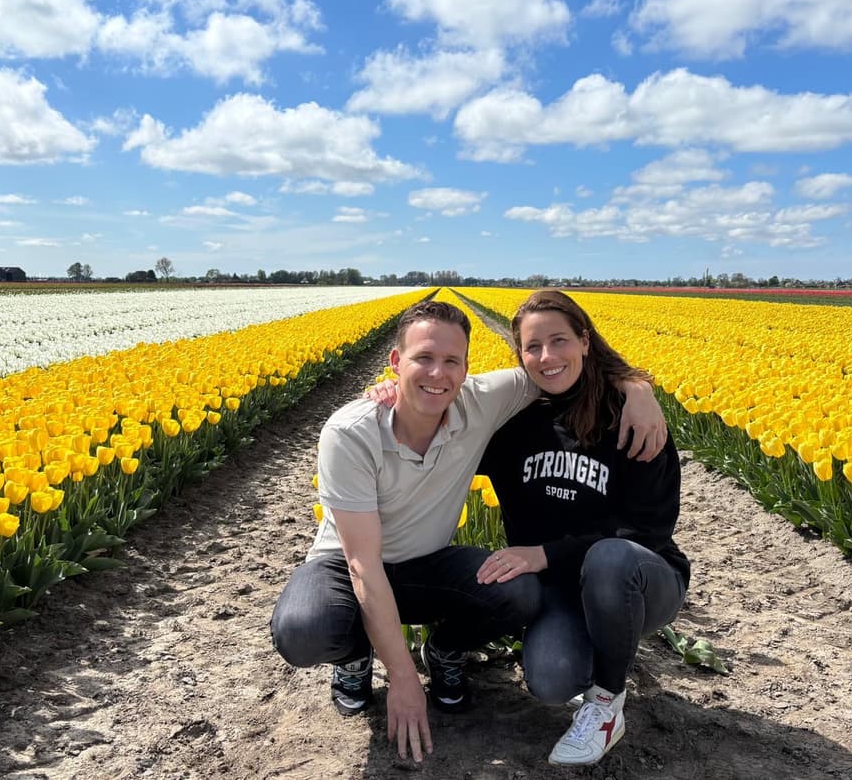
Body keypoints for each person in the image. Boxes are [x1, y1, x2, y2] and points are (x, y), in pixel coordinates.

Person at [270, 299, 668, 764]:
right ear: (396, 361)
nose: (437, 374)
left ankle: (445, 649)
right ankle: (354, 656)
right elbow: (363, 565)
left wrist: (637, 387)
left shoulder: (482, 401)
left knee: (520, 590)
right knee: (302, 630)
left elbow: (559, 369)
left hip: (427, 566)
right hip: (347, 565)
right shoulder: (351, 432)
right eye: (423, 358)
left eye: (451, 361)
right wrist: (401, 677)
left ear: (466, 368)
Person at [474, 290, 690, 766]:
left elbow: (648, 530)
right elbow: (442, 424)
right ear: (519, 355)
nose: (547, 356)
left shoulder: (629, 417)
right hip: (561, 587)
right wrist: (391, 397)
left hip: (639, 577)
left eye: (559, 341)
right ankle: (599, 649)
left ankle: (607, 703)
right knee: (551, 680)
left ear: (585, 342)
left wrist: (637, 389)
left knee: (609, 557)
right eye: (533, 347)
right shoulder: (514, 424)